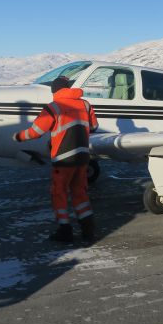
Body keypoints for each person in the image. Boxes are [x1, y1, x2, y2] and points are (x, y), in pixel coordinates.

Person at [14, 76, 99, 243]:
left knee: (58, 193)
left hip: (63, 158)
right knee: (80, 193)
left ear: (54, 91)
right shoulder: (85, 104)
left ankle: (65, 231)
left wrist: (18, 136)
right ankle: (88, 231)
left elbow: (35, 132)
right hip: (82, 157)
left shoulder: (53, 107)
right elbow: (94, 127)